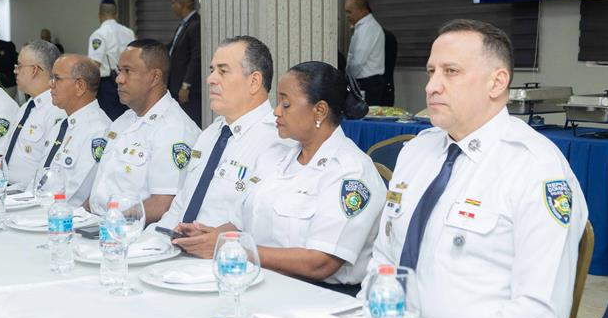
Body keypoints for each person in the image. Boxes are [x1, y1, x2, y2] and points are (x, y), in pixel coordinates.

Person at [368, 19, 587, 318]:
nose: (432, 87)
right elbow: (385, 255)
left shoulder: (535, 167)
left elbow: (541, 309)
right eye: (431, 72)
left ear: (496, 82)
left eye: (451, 72)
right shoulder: (417, 151)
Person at [175, 62, 384, 294]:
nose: (276, 111)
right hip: (260, 281)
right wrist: (213, 237)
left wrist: (236, 249)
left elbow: (321, 262)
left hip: (319, 295)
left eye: (286, 104)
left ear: (320, 111)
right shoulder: (277, 157)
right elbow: (242, 221)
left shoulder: (350, 172)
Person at [151, 35, 289, 235]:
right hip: (174, 253)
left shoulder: (278, 141)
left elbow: (264, 228)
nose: (210, 79)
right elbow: (181, 205)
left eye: (223, 71)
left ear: (254, 81)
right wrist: (151, 243)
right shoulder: (210, 134)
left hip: (225, 257)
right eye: (212, 70)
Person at [86, 39, 201, 223]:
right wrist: (78, 216)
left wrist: (112, 223)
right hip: (96, 226)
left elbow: (163, 204)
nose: (118, 79)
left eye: (128, 71)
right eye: (118, 70)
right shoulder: (123, 121)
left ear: (155, 77)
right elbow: (100, 189)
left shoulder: (174, 129)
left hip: (132, 235)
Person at [38, 54, 111, 206]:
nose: (50, 84)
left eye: (57, 78)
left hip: (60, 219)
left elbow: (75, 196)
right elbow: (40, 178)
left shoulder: (98, 131)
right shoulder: (61, 126)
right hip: (38, 208)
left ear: (80, 86)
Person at [4, 40, 66, 186]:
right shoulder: (26, 107)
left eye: (19, 65)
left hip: (28, 196)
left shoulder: (56, 110)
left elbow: (51, 169)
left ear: (34, 70)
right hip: (6, 189)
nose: (15, 70)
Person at [87, 0, 135, 121]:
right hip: (128, 80)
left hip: (107, 85)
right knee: (127, 118)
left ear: (100, 16)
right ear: (116, 14)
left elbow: (94, 64)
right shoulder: (129, 32)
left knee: (108, 120)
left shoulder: (98, 35)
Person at [166, 0, 203, 127]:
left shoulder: (195, 24)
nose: (172, 7)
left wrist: (186, 85)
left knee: (189, 122)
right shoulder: (184, 24)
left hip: (187, 89)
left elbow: (196, 57)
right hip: (176, 84)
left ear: (183, 4)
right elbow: (173, 48)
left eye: (173, 3)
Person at [344, 0, 385, 105]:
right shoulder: (363, 27)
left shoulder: (368, 28)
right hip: (366, 82)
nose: (347, 16)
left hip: (367, 83)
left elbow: (358, 60)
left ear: (362, 10)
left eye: (349, 12)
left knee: (364, 116)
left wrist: (349, 79)